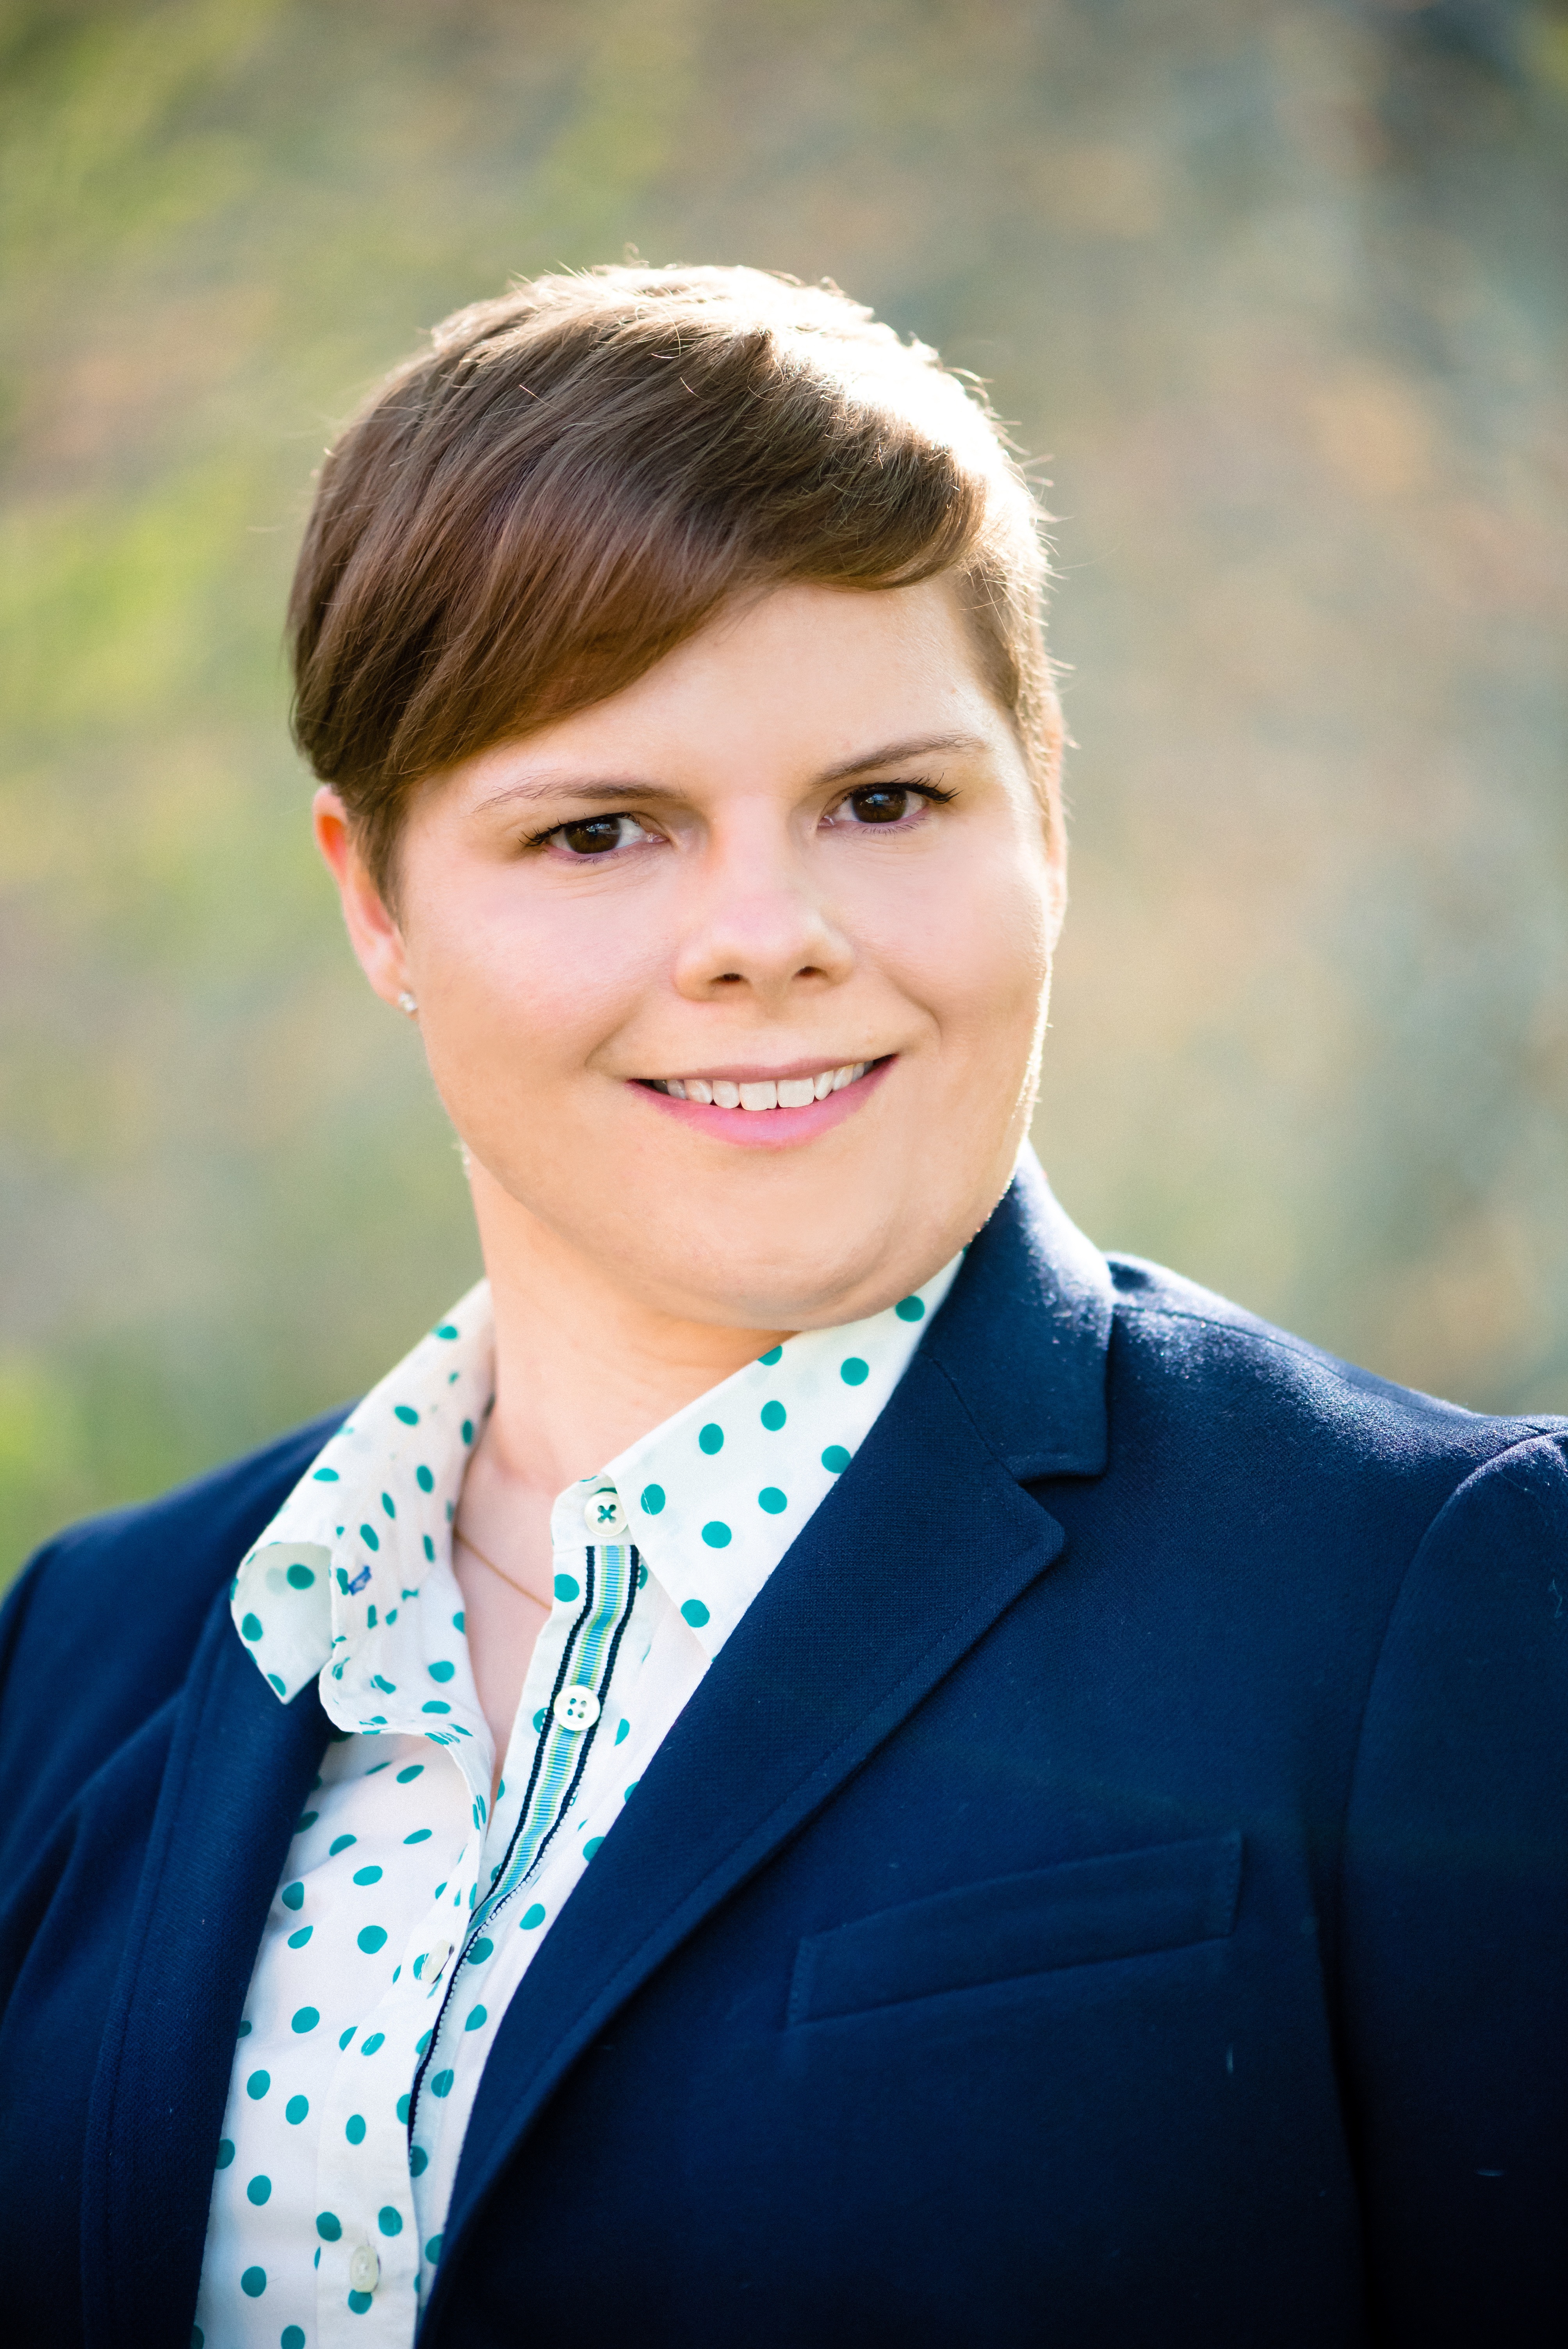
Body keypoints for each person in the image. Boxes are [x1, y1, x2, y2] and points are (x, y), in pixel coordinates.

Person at [0, 264, 1563, 2349]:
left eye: (887, 801)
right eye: (599, 830)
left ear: (1046, 811)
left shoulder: (1443, 1596)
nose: (768, 938)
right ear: (374, 899)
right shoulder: (84, 1651)